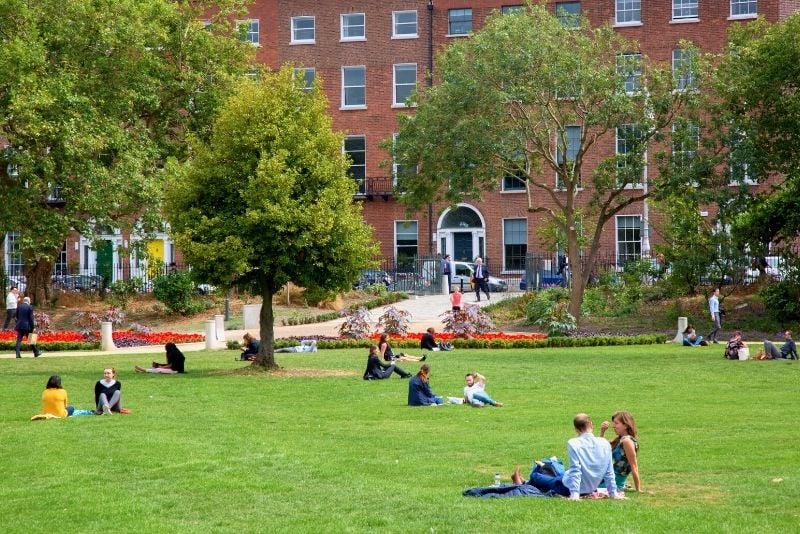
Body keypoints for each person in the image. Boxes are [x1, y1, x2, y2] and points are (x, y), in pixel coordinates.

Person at [512, 413, 622, 500]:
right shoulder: (604, 443)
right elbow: (609, 471)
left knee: (536, 476)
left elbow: (575, 470)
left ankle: (522, 483)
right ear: (591, 425)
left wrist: (574, 494)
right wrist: (613, 493)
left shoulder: (574, 443)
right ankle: (524, 481)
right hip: (589, 487)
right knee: (558, 475)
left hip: (568, 488)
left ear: (576, 429)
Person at [599, 411, 641, 492]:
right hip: (608, 479)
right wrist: (602, 431)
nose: (613, 426)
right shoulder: (621, 440)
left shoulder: (627, 441)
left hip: (611, 483)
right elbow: (601, 447)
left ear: (625, 425)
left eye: (616, 423)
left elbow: (634, 466)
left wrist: (638, 489)